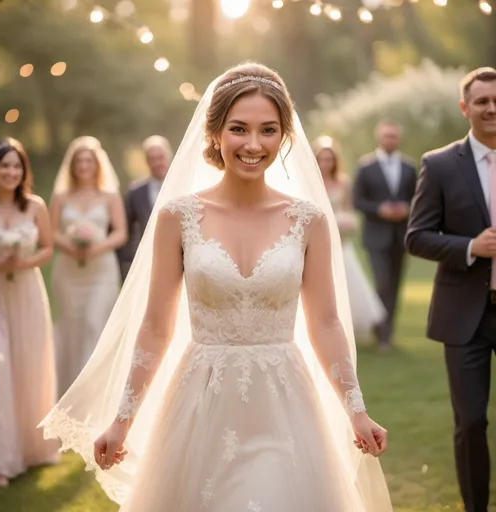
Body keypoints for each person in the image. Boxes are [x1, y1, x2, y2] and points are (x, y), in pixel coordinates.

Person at [42, 63, 392, 511]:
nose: (252, 144)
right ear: (215, 133)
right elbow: (154, 327)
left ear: (285, 136)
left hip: (283, 405)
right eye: (238, 129)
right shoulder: (178, 216)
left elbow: (325, 323)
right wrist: (122, 421)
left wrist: (356, 411)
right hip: (201, 403)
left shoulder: (308, 221)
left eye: (268, 130)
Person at [406, 66, 496, 512]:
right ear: (466, 108)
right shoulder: (439, 164)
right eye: (482, 101)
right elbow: (416, 236)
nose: (491, 108)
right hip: (466, 316)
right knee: (472, 421)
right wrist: (470, 246)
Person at [0, 138, 59, 487]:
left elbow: (47, 248)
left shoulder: (35, 206)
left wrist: (23, 261)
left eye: (16, 165)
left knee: (27, 367)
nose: (11, 172)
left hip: (27, 292)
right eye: (4, 166)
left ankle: (29, 449)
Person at [50, 136, 127, 396]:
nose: (83, 165)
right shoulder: (61, 196)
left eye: (88, 160)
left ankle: (92, 393)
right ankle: (67, 390)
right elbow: (50, 231)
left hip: (101, 271)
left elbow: (120, 232)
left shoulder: (109, 195)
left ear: (97, 164)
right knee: (72, 328)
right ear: (72, 165)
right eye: (79, 161)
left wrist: (97, 246)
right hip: (69, 272)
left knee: (94, 323)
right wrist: (70, 245)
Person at [312, 136, 385, 342]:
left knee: (345, 286)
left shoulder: (343, 183)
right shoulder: (309, 181)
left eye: (329, 159)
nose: (326, 163)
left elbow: (349, 213)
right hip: (315, 240)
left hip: (340, 244)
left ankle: (342, 330)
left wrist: (341, 223)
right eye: (322, 159)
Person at [353, 120, 417, 350]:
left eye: (394, 136)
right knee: (382, 282)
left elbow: (417, 199)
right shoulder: (365, 166)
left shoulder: (410, 167)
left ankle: (387, 331)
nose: (390, 139)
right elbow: (358, 201)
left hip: (401, 236)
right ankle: (381, 333)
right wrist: (380, 209)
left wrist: (406, 209)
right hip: (376, 236)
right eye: (386, 136)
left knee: (395, 284)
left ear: (398, 138)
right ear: (379, 137)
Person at [117, 136, 172, 281]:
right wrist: (126, 269)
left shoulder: (185, 187)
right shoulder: (135, 193)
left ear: (169, 156)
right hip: (146, 264)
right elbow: (126, 234)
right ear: (147, 161)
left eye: (160, 157)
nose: (157, 163)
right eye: (152, 158)